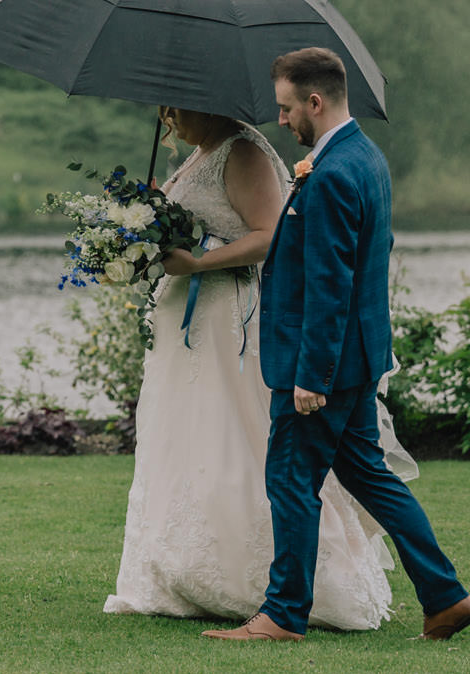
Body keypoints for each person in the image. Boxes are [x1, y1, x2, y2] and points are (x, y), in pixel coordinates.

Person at [202, 46, 470, 642]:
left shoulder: (329, 174)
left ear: (315, 101)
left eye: (285, 108)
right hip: (358, 355)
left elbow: (332, 284)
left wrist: (312, 377)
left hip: (323, 363)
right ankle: (447, 596)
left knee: (291, 481)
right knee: (371, 476)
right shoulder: (366, 157)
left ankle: (282, 614)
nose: (281, 120)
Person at [103, 102, 398, 631]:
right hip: (185, 328)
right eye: (162, 109)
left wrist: (197, 261)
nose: (167, 118)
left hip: (227, 321)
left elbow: (270, 237)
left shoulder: (242, 152)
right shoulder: (200, 152)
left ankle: (271, 582)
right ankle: (184, 570)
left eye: (174, 108)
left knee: (238, 438)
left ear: (204, 100)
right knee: (188, 440)